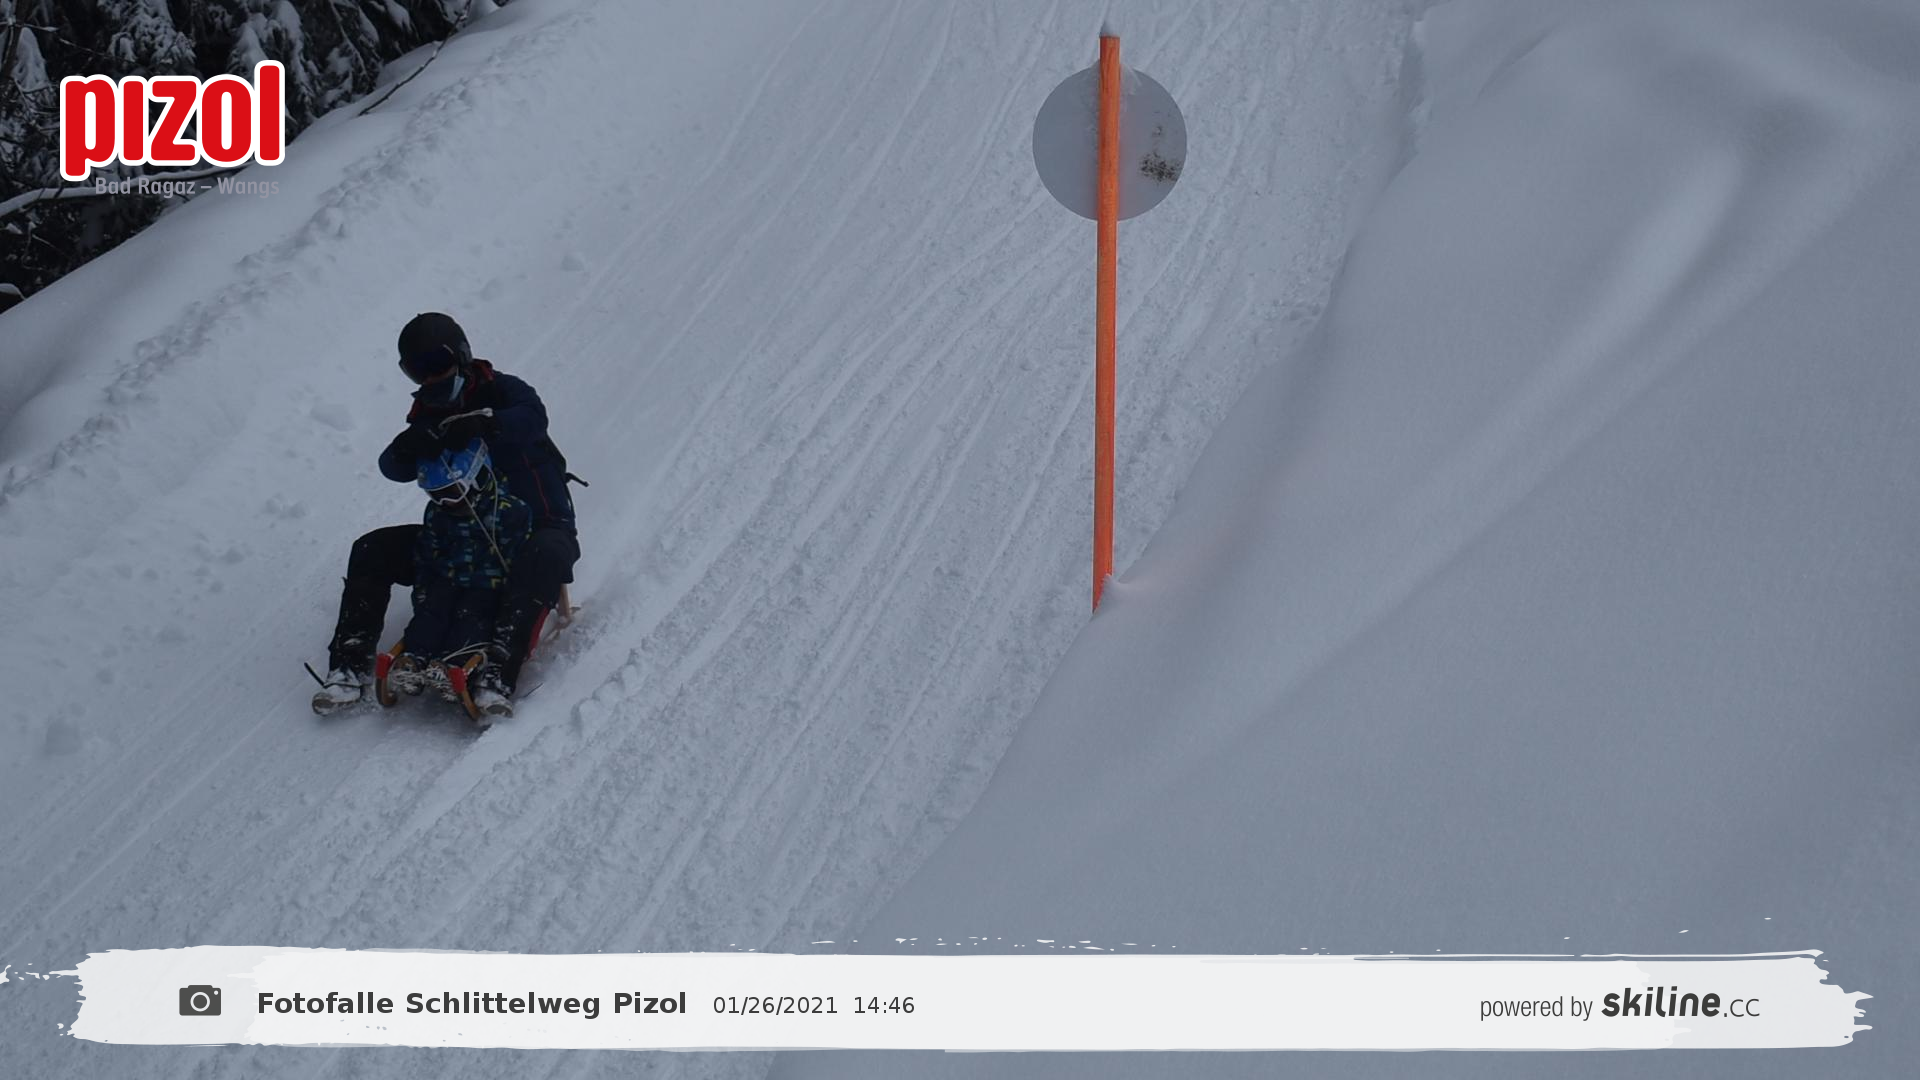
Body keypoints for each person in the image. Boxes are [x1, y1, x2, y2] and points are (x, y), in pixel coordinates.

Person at [313, 312, 580, 714]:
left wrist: (485, 423)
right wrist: (411, 444)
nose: (431, 378)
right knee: (372, 548)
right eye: (417, 371)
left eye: (437, 364)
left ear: (461, 356)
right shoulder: (428, 411)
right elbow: (393, 467)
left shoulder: (503, 390)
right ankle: (349, 667)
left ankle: (498, 675)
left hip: (537, 526)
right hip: (465, 536)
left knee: (544, 556)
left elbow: (532, 418)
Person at [397, 439, 533, 715]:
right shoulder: (438, 513)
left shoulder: (510, 511)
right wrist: (423, 590)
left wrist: (510, 601)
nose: (445, 502)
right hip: (449, 577)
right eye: (436, 495)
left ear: (477, 479)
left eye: (452, 492)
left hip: (488, 583)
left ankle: (454, 663)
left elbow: (520, 559)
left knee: (472, 615)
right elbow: (428, 553)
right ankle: (414, 658)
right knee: (432, 610)